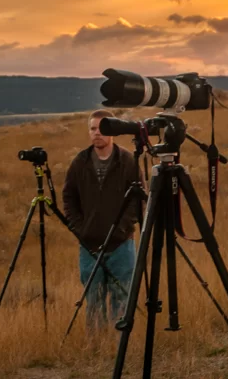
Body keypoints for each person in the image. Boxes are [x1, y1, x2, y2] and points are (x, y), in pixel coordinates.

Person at [63, 109, 141, 330]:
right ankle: (96, 349)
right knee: (93, 299)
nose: (97, 133)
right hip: (89, 246)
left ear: (113, 131)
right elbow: (69, 198)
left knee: (121, 298)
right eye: (92, 128)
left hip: (121, 244)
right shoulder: (80, 162)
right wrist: (80, 229)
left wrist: (123, 228)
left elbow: (138, 199)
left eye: (102, 128)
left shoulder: (127, 161)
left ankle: (118, 348)